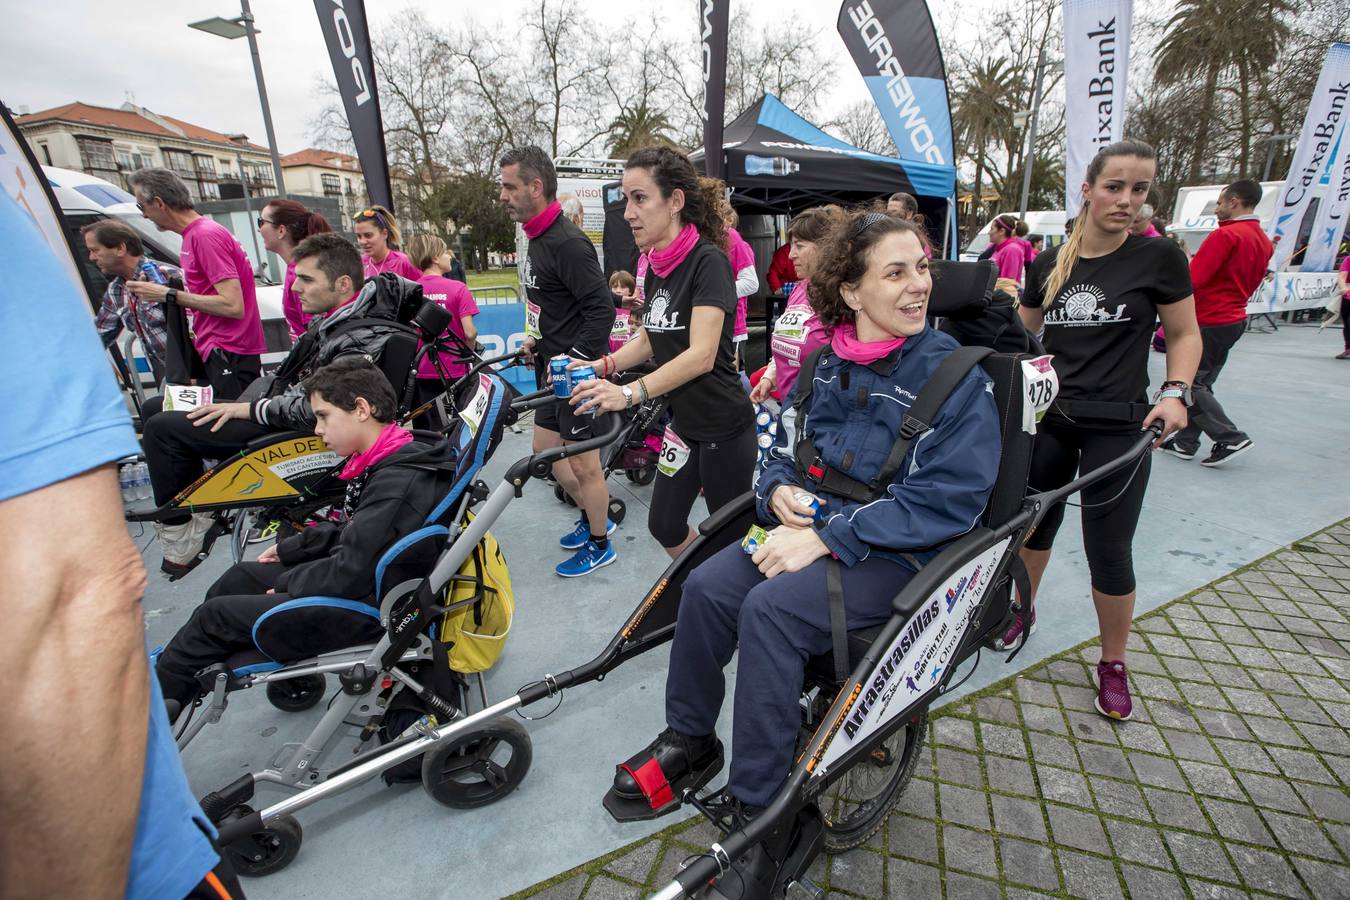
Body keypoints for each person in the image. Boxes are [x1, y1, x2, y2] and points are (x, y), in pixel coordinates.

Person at [608, 211, 1000, 833]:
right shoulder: (824, 363)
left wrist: (825, 536)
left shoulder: (956, 379)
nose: (919, 285)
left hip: (900, 551)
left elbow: (945, 502)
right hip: (817, 525)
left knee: (771, 612)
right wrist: (777, 490)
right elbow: (784, 450)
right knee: (705, 586)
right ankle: (691, 740)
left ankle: (761, 810)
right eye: (895, 273)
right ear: (852, 292)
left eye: (922, 268)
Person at [0, 189, 243, 899]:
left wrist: (170, 299)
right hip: (191, 380)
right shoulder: (118, 286)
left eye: (98, 249)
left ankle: (183, 520)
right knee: (159, 419)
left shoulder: (193, 249)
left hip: (212, 373)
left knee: (166, 427)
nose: (92, 258)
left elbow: (76, 600)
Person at [1009, 139, 1201, 722]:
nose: (1127, 200)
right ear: (1088, 189)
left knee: (1109, 550)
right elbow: (1021, 338)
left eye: (1139, 189)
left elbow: (1185, 335)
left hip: (1120, 427)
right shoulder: (1050, 262)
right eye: (1114, 187)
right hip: (1050, 421)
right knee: (1032, 529)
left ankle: (1113, 662)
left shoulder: (1158, 257)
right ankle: (1021, 610)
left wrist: (1176, 392)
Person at [154, 357, 457, 711]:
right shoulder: (395, 454)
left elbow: (350, 570)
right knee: (241, 576)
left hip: (368, 609)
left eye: (323, 416)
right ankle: (194, 674)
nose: (317, 429)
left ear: (361, 409)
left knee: (215, 618)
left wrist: (289, 583)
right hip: (366, 582)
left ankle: (156, 710)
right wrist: (294, 549)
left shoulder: (397, 482)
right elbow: (356, 532)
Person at [142, 233, 423, 579]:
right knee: (155, 407)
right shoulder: (338, 322)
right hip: (285, 410)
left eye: (306, 279)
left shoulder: (359, 337)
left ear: (342, 283)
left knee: (161, 429)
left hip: (302, 429)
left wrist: (250, 409)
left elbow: (325, 409)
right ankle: (198, 503)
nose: (295, 288)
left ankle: (182, 534)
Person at [569, 147, 757, 558]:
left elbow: (701, 355)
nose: (628, 213)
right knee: (665, 525)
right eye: (626, 200)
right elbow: (652, 336)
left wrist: (628, 393)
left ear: (675, 201)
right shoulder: (657, 265)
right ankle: (701, 584)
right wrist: (602, 365)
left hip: (724, 428)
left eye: (640, 198)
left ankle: (720, 590)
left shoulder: (708, 261)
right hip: (684, 425)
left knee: (730, 543)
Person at [499, 146, 618, 577]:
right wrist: (536, 338)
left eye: (510, 187)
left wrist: (575, 357)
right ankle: (594, 518)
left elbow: (602, 311)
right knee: (545, 454)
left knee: (584, 463)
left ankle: (601, 543)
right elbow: (550, 304)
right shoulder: (536, 238)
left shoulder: (567, 242)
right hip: (551, 371)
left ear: (536, 187)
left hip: (576, 374)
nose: (503, 196)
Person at [126, 168, 265, 400]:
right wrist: (168, 285)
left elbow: (233, 305)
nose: (145, 216)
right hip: (219, 347)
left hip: (229, 348)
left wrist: (167, 294)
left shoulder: (204, 235)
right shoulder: (194, 235)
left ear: (159, 203)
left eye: (142, 207)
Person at [1160, 179, 1271, 467]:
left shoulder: (1226, 235)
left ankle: (1230, 437)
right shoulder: (1262, 239)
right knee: (1202, 382)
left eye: (1220, 202)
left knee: (1189, 383)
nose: (1217, 208)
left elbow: (1192, 280)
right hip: (1233, 317)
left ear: (1234, 201)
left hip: (1209, 317)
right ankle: (1186, 442)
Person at [748, 206, 841, 435]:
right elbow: (788, 340)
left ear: (826, 247)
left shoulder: (843, 297)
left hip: (823, 421)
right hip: (792, 413)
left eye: (799, 246)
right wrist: (770, 377)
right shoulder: (800, 289)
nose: (790, 255)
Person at [83, 219, 179, 386]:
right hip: (173, 374)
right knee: (157, 402)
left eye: (95, 250)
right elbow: (98, 336)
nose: (91, 258)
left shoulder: (166, 275)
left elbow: (201, 324)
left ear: (120, 248)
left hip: (201, 370)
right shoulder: (116, 290)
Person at [406, 233, 480, 405]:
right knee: (461, 418)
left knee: (431, 420)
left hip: (422, 369)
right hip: (456, 368)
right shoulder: (458, 288)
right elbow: (470, 333)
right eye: (446, 252)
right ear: (436, 258)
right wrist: (468, 354)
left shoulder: (411, 290)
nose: (450, 256)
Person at [258, 199, 332, 341]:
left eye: (261, 222)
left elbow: (316, 332)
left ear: (281, 230)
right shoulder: (297, 267)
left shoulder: (301, 273)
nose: (259, 229)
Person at [721, 204, 759, 369]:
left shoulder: (734, 240)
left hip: (733, 322)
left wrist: (715, 292)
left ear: (729, 220)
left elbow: (751, 283)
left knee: (731, 375)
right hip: (718, 320)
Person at [354, 205, 423, 281]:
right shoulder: (359, 265)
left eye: (368, 235)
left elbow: (423, 286)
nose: (362, 241)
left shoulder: (404, 263)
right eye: (359, 236)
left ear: (384, 234)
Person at [988, 213, 1028, 286]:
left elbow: (1007, 284)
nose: (989, 232)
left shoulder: (1011, 250)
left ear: (1002, 231)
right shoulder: (999, 248)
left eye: (992, 229)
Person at [609, 270, 641, 353]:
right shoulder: (608, 309)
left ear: (630, 290)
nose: (618, 290)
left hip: (631, 352)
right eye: (615, 287)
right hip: (611, 352)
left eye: (622, 287)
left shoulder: (635, 309)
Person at [1337, 253, 1350, 360]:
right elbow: (1342, 276)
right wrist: (1343, 288)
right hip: (1348, 296)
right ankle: (1348, 349)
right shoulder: (1348, 259)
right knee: (1347, 324)